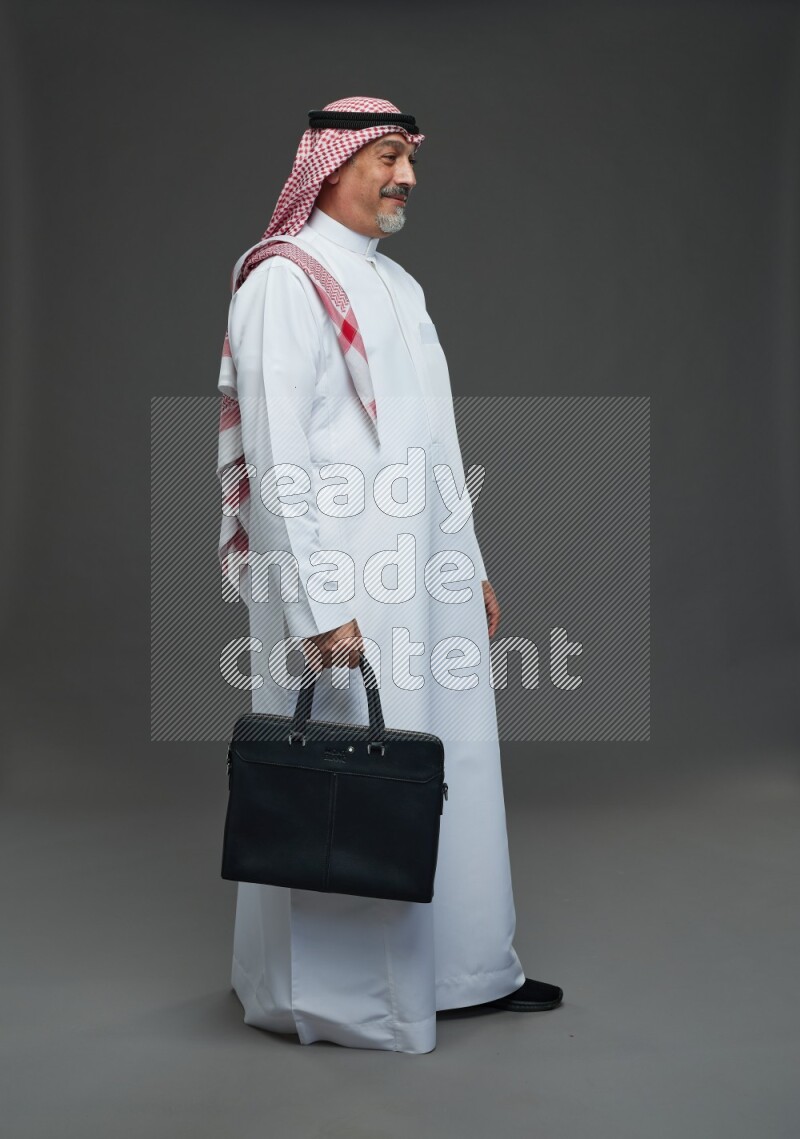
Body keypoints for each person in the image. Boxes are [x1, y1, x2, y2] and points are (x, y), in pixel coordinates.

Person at [215, 95, 563, 1054]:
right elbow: (278, 455)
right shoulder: (284, 283)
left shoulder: (398, 289)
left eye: (410, 158)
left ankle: (460, 973)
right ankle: (346, 1001)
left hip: (424, 571)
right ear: (327, 166)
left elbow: (436, 446)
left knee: (442, 763)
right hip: (342, 583)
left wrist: (470, 563)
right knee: (341, 772)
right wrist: (319, 609)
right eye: (387, 156)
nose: (406, 176)